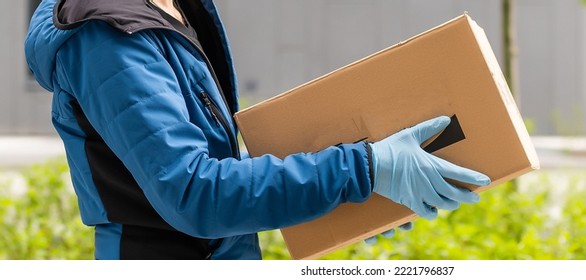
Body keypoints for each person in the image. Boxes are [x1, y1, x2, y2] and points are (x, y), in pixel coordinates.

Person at [25, 0, 490, 260]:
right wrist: (363, 169)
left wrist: (348, 198)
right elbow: (193, 191)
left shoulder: (173, 8)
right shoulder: (109, 35)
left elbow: (216, 165)